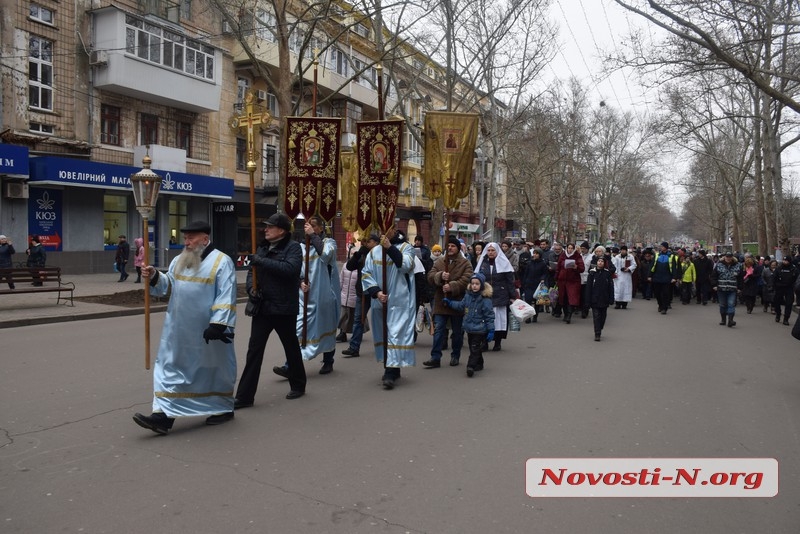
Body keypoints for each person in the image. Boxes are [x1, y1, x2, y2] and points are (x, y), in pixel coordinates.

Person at [133, 221, 237, 434]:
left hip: (208, 331)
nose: (186, 242)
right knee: (169, 367)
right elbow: (169, 286)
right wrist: (154, 276)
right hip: (178, 330)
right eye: (185, 238)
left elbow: (226, 294)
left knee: (212, 371)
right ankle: (162, 416)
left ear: (205, 239)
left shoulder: (222, 261)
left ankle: (222, 407)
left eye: (191, 238)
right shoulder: (179, 260)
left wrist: (218, 324)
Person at [235, 213, 307, 407]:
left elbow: (290, 270)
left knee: (291, 348)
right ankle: (244, 397)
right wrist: (251, 289)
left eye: (270, 226)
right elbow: (252, 272)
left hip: (283, 307)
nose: (265, 229)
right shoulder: (263, 247)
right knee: (254, 352)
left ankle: (298, 385)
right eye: (265, 226)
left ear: (281, 230)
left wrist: (260, 261)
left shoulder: (293, 248)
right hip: (262, 307)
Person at [361, 228, 416, 389]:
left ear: (393, 230)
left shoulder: (406, 248)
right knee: (384, 335)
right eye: (380, 230)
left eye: (387, 230)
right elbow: (366, 273)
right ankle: (393, 366)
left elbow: (406, 265)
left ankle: (390, 372)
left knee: (395, 334)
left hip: (399, 301)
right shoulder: (374, 252)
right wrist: (376, 292)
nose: (383, 233)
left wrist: (390, 248)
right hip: (380, 301)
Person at [286, 215, 339, 375]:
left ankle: (328, 360)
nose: (308, 228)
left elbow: (326, 256)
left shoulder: (329, 243)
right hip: (304, 297)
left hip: (323, 296)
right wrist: (300, 281)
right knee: (298, 329)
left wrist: (313, 236)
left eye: (313, 225)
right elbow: (295, 269)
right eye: (307, 226)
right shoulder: (300, 247)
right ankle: (290, 365)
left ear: (321, 228)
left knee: (326, 329)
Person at [424, 235, 472, 368]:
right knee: (438, 330)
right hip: (441, 302)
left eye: (453, 246)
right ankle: (435, 357)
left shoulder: (465, 263)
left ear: (457, 248)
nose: (450, 248)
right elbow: (430, 276)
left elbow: (467, 279)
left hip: (457, 302)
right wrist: (439, 276)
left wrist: (452, 285)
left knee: (457, 333)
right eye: (448, 246)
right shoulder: (440, 262)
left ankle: (455, 355)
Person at [442, 273, 495, 377]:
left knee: (474, 348)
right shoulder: (468, 296)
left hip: (480, 329)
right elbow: (461, 306)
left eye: (477, 284)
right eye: (473, 283)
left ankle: (470, 366)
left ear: (482, 285)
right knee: (473, 348)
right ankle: (479, 363)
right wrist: (450, 303)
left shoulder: (485, 300)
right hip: (469, 328)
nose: (474, 286)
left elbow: (489, 316)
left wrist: (491, 330)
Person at [342, 234, 379, 359]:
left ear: (376, 242)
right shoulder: (361, 254)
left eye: (369, 241)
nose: (366, 244)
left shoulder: (379, 254)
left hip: (377, 292)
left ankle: (384, 344)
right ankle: (354, 347)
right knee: (358, 320)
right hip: (362, 291)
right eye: (365, 241)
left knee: (379, 319)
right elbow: (349, 267)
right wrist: (358, 255)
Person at [475, 242, 516, 351]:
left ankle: (497, 342)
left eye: (493, 250)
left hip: (501, 295)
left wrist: (513, 296)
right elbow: (477, 279)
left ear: (497, 251)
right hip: (485, 295)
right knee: (485, 319)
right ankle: (485, 342)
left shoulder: (504, 263)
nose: (490, 252)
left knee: (499, 320)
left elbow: (510, 281)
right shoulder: (483, 263)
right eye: (488, 250)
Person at [555, 242, 585, 324]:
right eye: (569, 248)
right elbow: (558, 267)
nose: (570, 249)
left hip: (573, 281)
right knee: (563, 298)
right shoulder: (563, 255)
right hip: (562, 280)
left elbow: (582, 268)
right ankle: (565, 314)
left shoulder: (577, 256)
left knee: (571, 298)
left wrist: (576, 267)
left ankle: (569, 315)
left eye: (571, 248)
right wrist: (556, 277)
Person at [711, 251, 742, 328]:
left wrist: (740, 287)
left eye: (730, 257)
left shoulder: (738, 266)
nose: (728, 258)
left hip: (732, 289)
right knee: (722, 304)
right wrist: (714, 285)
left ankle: (730, 320)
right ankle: (723, 319)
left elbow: (740, 278)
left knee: (731, 304)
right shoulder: (719, 265)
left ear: (732, 257)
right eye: (727, 257)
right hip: (721, 288)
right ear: (724, 257)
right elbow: (714, 276)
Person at [586, 256, 614, 341]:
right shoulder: (592, 273)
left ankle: (600, 327)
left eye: (602, 261)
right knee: (596, 316)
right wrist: (587, 301)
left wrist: (611, 298)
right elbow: (588, 288)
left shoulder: (607, 273)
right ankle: (597, 333)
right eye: (599, 261)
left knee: (603, 316)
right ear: (596, 262)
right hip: (595, 299)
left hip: (604, 298)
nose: (600, 263)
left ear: (604, 263)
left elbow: (610, 287)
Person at [648, 242, 679, 315]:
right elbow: (652, 266)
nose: (661, 247)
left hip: (667, 278)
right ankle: (660, 305)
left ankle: (664, 308)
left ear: (666, 247)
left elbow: (674, 267)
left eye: (662, 246)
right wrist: (649, 275)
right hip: (656, 277)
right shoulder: (656, 255)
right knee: (657, 293)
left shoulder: (671, 256)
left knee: (665, 293)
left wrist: (674, 277)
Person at [520, 247, 548, 322]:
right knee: (528, 300)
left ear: (540, 255)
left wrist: (542, 279)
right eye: (534, 253)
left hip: (538, 285)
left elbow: (545, 273)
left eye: (536, 253)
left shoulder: (543, 264)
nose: (535, 255)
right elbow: (526, 273)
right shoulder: (530, 263)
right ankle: (528, 317)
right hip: (529, 284)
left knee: (537, 302)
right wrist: (524, 282)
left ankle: (535, 316)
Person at [336, 256, 359, 343]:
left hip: (354, 296)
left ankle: (355, 334)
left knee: (353, 317)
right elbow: (341, 280)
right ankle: (343, 333)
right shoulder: (345, 266)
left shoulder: (360, 268)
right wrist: (339, 292)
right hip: (344, 296)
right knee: (344, 316)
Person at [773, 255, 798, 326]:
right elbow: (774, 278)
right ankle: (778, 314)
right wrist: (775, 286)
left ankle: (786, 318)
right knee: (777, 302)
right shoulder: (779, 268)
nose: (785, 262)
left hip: (789, 288)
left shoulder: (793, 269)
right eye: (784, 260)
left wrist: (794, 287)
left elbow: (796, 279)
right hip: (779, 288)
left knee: (789, 303)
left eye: (786, 261)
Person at [611, 245, 636, 309]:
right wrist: (615, 272)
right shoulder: (617, 257)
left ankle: (624, 304)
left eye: (624, 250)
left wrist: (628, 269)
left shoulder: (630, 257)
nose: (623, 251)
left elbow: (634, 265)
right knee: (618, 289)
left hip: (626, 276)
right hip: (618, 276)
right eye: (622, 250)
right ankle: (618, 304)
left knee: (626, 289)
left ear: (626, 250)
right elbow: (614, 265)